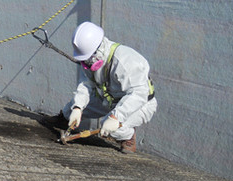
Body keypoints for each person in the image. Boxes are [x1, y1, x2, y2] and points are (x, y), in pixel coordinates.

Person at [48, 21, 157, 153]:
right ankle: (65, 121)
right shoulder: (90, 60)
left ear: (98, 49)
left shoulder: (125, 61)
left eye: (88, 59)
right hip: (110, 99)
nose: (86, 63)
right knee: (70, 110)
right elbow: (86, 84)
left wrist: (116, 117)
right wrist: (78, 107)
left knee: (111, 127)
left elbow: (139, 93)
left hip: (139, 104)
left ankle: (128, 137)